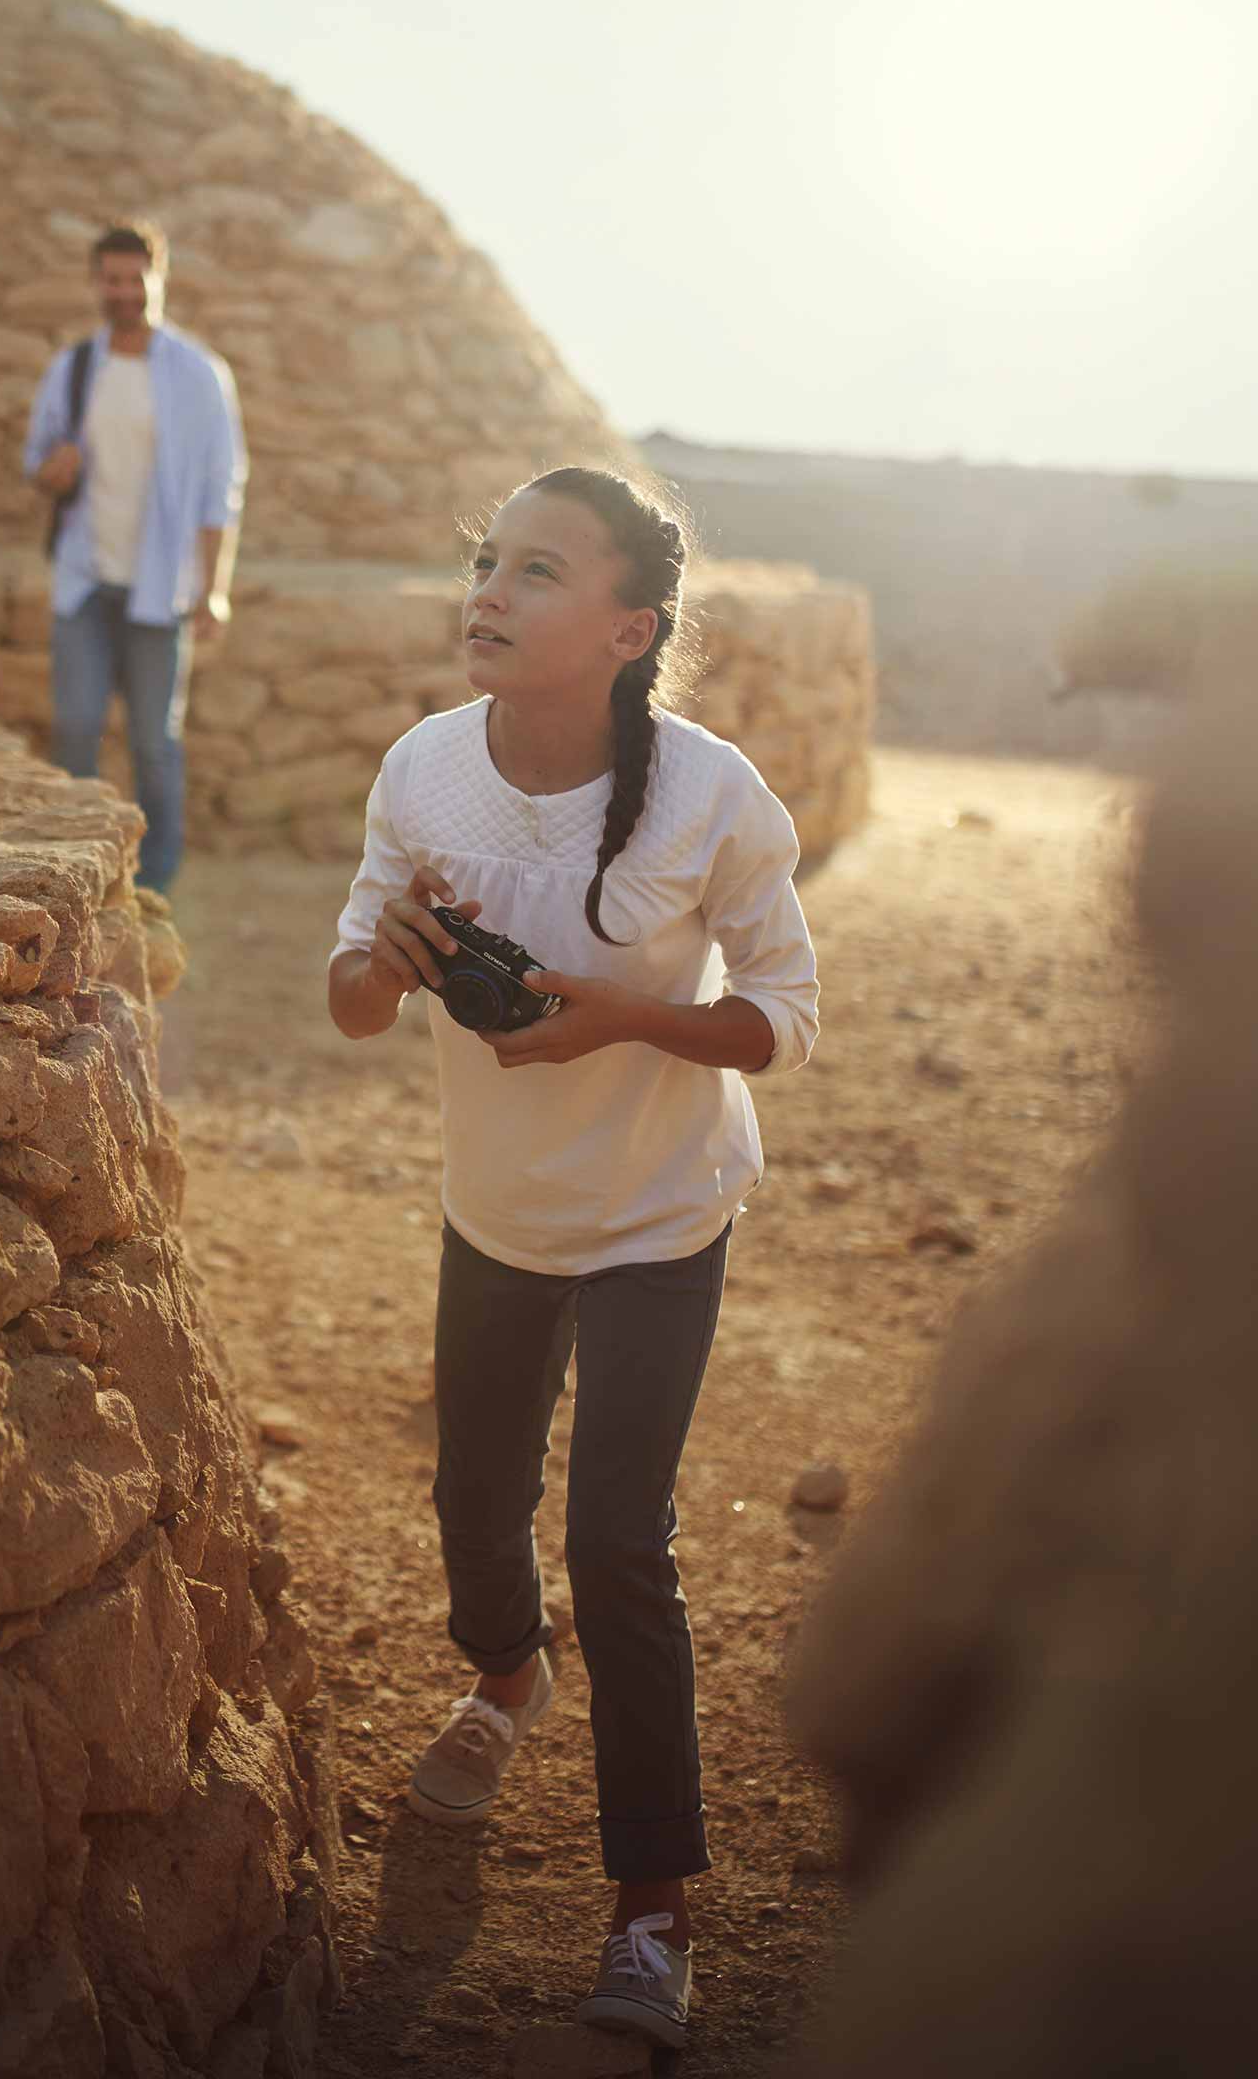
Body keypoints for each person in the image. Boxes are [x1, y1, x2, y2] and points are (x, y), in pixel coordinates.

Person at [324, 465, 821, 2052]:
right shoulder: (420, 770)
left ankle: (654, 1915)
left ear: (629, 629)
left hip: (663, 1217)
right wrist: (390, 964)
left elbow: (782, 1018)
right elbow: (347, 988)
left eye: (535, 571)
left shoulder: (712, 793)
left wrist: (624, 1020)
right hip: (501, 1217)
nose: (489, 589)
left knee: (618, 1540)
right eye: (486, 560)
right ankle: (505, 1681)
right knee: (476, 1499)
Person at [21, 222, 244, 892]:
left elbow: (221, 487)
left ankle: (155, 885)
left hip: (160, 589)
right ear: (96, 283)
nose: (123, 292)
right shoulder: (75, 368)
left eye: (134, 280)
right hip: (86, 582)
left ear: (158, 279)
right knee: (77, 729)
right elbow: (39, 462)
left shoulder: (199, 375)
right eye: (110, 280)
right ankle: (69, 876)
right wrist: (53, 471)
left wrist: (215, 587)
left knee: (155, 744)